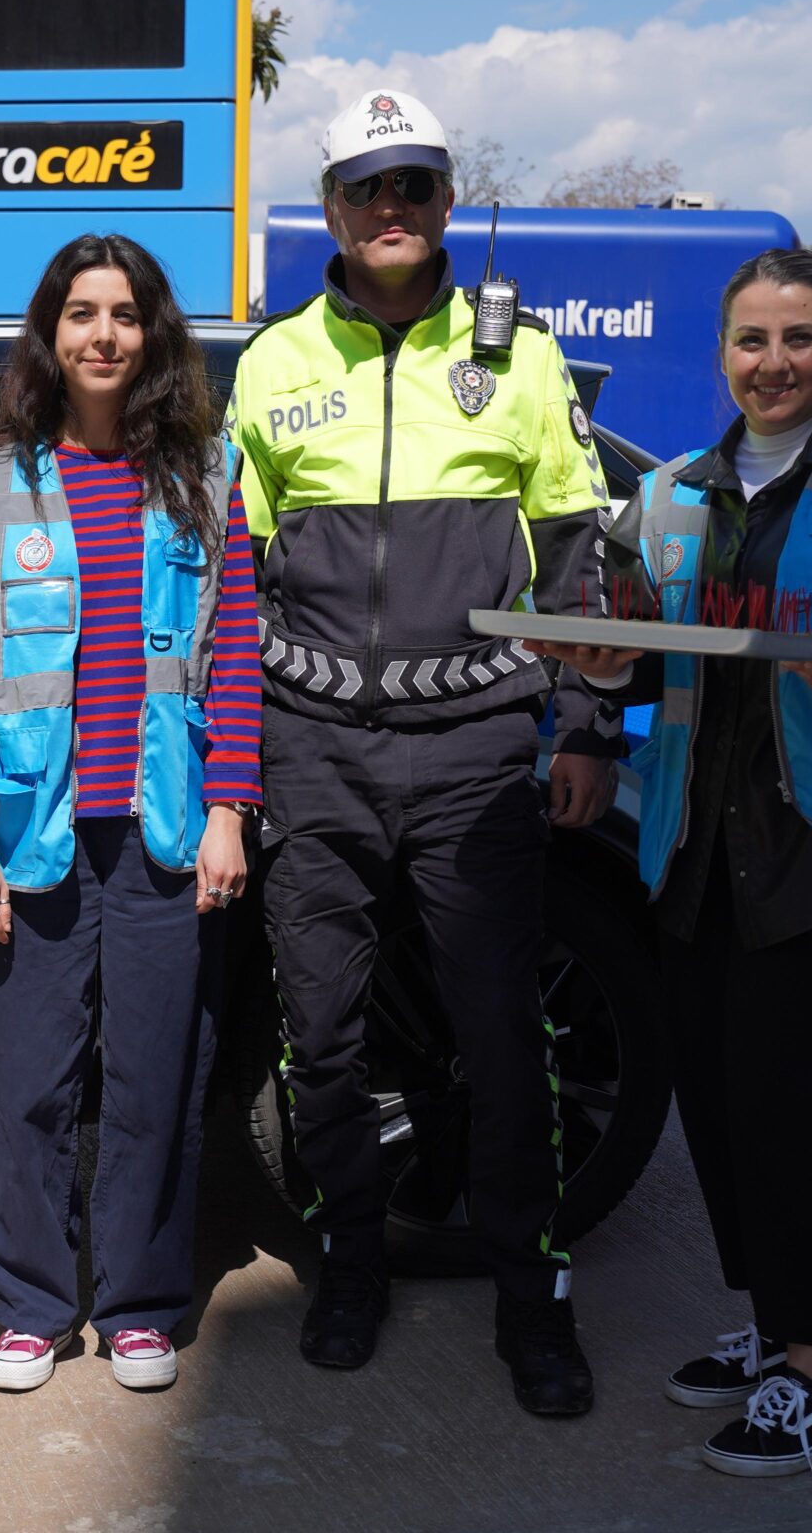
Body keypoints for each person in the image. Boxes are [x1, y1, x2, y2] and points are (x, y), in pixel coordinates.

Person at [531, 248, 812, 1476]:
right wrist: (605, 667)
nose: (773, 363)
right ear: (724, 353)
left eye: (797, 339)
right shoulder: (676, 490)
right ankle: (774, 1327)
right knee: (725, 1115)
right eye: (751, 340)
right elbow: (638, 638)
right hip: (696, 847)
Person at [226, 89, 623, 1412]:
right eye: (363, 188)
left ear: (447, 200)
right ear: (332, 208)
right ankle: (349, 1267)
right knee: (324, 1040)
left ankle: (535, 1298)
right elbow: (237, 573)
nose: (389, 209)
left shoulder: (522, 355)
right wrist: (247, 755)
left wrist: (585, 723)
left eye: (413, 185)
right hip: (314, 747)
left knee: (503, 1037)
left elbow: (576, 554)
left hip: (473, 748)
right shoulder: (273, 361)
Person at [0, 235, 261, 1394]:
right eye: (81, 312)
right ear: (50, 331)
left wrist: (230, 808)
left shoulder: (206, 475)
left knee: (153, 1079)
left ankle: (138, 1302)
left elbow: (231, 659)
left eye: (124, 314)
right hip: (32, 833)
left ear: (151, 333)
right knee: (23, 1082)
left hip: (163, 829)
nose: (103, 335)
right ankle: (30, 1303)